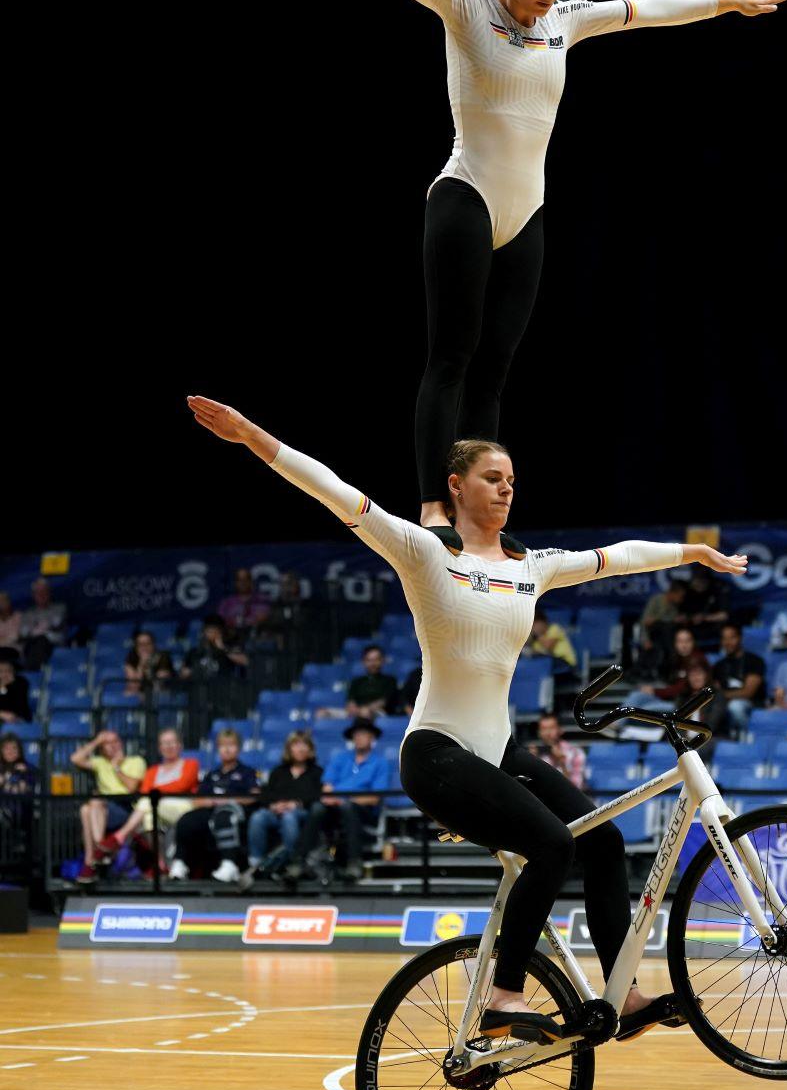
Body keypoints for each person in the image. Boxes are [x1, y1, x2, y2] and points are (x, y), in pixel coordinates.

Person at [188, 393, 747, 1042]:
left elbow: (617, 556)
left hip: (498, 751)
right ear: (455, 486)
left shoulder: (532, 568)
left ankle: (622, 995)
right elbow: (333, 490)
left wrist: (693, 553)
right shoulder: (426, 553)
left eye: (512, 481)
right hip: (436, 754)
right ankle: (503, 998)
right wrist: (250, 434)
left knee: (604, 840)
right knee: (552, 844)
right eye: (492, 478)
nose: (506, 489)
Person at [280, 0, 787, 544]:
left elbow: (645, 11)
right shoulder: (464, 3)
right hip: (464, 200)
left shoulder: (566, 20)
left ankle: (478, 520)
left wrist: (724, 3)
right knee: (451, 359)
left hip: (528, 215)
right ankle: (434, 504)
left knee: (493, 374)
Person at [290, 718, 387, 882]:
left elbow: (374, 798)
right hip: (334, 808)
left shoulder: (380, 762)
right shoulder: (341, 758)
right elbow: (327, 787)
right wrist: (331, 799)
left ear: (372, 738)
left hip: (362, 811)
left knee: (348, 807)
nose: (359, 738)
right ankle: (299, 862)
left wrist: (344, 799)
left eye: (364, 734)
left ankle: (354, 863)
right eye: (356, 735)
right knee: (316, 808)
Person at [93, 730, 199, 867]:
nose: (169, 746)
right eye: (165, 743)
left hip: (184, 807)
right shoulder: (152, 771)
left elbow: (182, 785)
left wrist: (155, 790)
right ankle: (162, 864)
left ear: (180, 745)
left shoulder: (191, 764)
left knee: (147, 802)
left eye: (172, 742)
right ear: (160, 748)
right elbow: (144, 790)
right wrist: (157, 791)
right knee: (149, 816)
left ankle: (120, 836)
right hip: (156, 806)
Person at [168, 728, 260, 882]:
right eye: (223, 745)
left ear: (238, 748)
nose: (227, 749)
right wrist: (209, 801)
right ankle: (180, 864)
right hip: (211, 809)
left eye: (231, 745)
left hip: (236, 810)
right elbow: (197, 799)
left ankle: (229, 864)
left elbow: (254, 795)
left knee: (224, 816)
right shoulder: (212, 774)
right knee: (187, 820)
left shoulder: (247, 772)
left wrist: (228, 800)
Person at [70, 730, 146, 885]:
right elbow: (75, 759)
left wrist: (117, 767)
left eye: (115, 741)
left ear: (121, 743)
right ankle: (97, 854)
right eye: (107, 743)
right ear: (102, 748)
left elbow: (131, 787)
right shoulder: (100, 762)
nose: (112, 746)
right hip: (102, 809)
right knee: (86, 809)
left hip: (126, 806)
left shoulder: (136, 761)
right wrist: (97, 741)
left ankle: (93, 857)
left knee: (94, 802)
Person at [244, 731, 323, 880]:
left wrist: (296, 804)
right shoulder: (278, 772)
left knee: (289, 817)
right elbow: (267, 794)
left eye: (304, 745)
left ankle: (292, 862)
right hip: (276, 811)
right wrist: (273, 806)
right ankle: (256, 862)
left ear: (310, 749)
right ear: (289, 749)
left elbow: (318, 797)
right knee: (258, 817)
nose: (300, 749)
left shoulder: (317, 773)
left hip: (303, 813)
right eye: (296, 744)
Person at [709, 623, 766, 735]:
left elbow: (748, 692)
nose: (728, 642)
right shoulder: (718, 666)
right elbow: (716, 690)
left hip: (751, 704)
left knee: (735, 706)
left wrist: (723, 695)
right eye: (724, 638)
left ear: (740, 638)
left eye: (732, 637)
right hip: (724, 704)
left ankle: (746, 736)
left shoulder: (755, 661)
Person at [180, 616, 248, 683]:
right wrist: (193, 671)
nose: (211, 633)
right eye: (208, 630)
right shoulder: (194, 652)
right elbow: (182, 674)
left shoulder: (228, 649)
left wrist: (222, 648)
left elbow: (245, 661)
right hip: (199, 691)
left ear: (221, 632)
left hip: (221, 690)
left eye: (215, 630)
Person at [649, 626, 708, 702]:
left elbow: (682, 688)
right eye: (680, 641)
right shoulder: (676, 658)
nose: (684, 645)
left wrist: (654, 691)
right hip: (674, 698)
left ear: (693, 642)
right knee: (638, 696)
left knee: (646, 707)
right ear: (675, 643)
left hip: (687, 702)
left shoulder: (697, 660)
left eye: (687, 641)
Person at [529, 713, 587, 791]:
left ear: (560, 730)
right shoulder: (534, 754)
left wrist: (562, 764)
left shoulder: (576, 753)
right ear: (539, 733)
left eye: (552, 728)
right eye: (543, 729)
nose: (548, 733)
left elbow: (576, 789)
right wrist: (531, 763)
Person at [18, 578, 67, 669]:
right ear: (33, 595)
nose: (41, 595)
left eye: (44, 592)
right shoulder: (29, 613)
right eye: (38, 592)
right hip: (32, 642)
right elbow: (23, 632)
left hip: (53, 641)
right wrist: (41, 628)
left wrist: (36, 630)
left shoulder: (59, 608)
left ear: (49, 593)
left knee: (41, 640)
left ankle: (32, 670)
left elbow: (56, 624)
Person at [345, 645, 399, 718]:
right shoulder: (356, 681)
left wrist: (367, 709)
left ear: (382, 661)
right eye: (369, 660)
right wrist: (355, 709)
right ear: (363, 662)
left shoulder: (390, 680)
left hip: (379, 712)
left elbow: (384, 701)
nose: (373, 663)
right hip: (357, 711)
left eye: (376, 659)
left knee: (366, 713)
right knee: (325, 713)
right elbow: (350, 701)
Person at [218, 568, 270, 633]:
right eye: (239, 580)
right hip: (232, 637)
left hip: (257, 637)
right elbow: (220, 622)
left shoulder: (262, 600)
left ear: (251, 581)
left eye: (246, 579)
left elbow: (267, 617)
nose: (243, 583)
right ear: (235, 583)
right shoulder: (226, 603)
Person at [124, 631, 174, 696]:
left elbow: (160, 683)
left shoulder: (163, 656)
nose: (144, 647)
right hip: (141, 692)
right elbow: (133, 685)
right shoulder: (132, 657)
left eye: (147, 643)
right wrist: (141, 665)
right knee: (128, 694)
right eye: (140, 644)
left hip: (159, 694)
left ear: (153, 644)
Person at [0, 658, 31, 724]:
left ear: (13, 670)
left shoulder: (20, 683)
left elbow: (19, 706)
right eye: (1, 671)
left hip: (17, 719)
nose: (4, 674)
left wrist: (9, 685)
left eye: (8, 670)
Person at [0, 592, 22, 660]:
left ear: (9, 602)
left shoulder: (18, 616)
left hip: (14, 650)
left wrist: (2, 640)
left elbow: (16, 636)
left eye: (4, 600)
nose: (1, 603)